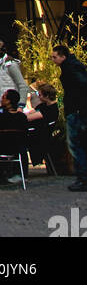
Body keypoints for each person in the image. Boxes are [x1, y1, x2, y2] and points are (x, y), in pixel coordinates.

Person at [51, 42, 87, 191]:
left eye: (54, 57)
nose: (52, 60)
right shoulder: (73, 66)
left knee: (75, 144)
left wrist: (77, 107)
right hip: (79, 110)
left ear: (62, 56)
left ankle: (83, 178)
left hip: (77, 111)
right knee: (80, 144)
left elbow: (82, 85)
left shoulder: (71, 68)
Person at [0, 38, 29, 108]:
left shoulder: (11, 64)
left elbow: (23, 86)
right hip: (1, 107)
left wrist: (21, 106)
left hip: (13, 108)